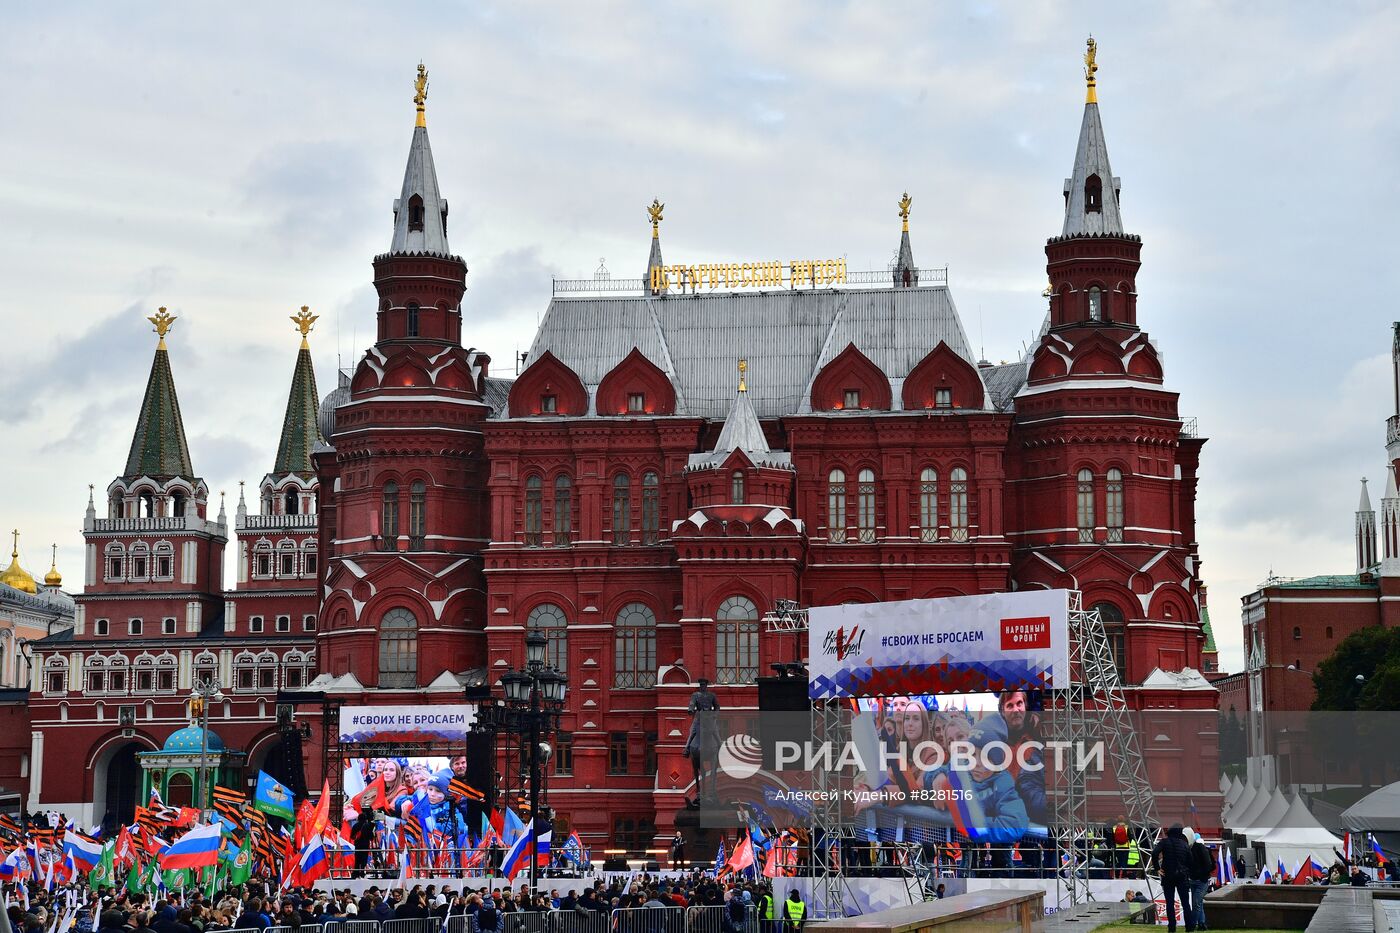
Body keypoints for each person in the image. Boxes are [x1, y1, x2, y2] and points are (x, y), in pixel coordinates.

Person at [1151, 824, 1196, 933]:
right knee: (1185, 903)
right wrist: (1186, 871)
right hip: (1182, 876)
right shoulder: (1184, 844)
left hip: (1168, 876)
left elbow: (1155, 853)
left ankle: (1172, 927)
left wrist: (1157, 868)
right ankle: (1189, 927)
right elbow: (1191, 861)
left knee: (1169, 903)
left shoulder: (1164, 842)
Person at [1186, 829, 1213, 932]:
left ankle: (1192, 925)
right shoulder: (1202, 849)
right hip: (1198, 879)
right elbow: (1209, 865)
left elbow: (1208, 865)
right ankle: (1201, 924)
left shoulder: (1195, 849)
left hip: (1198, 880)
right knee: (1198, 903)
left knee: (1196, 903)